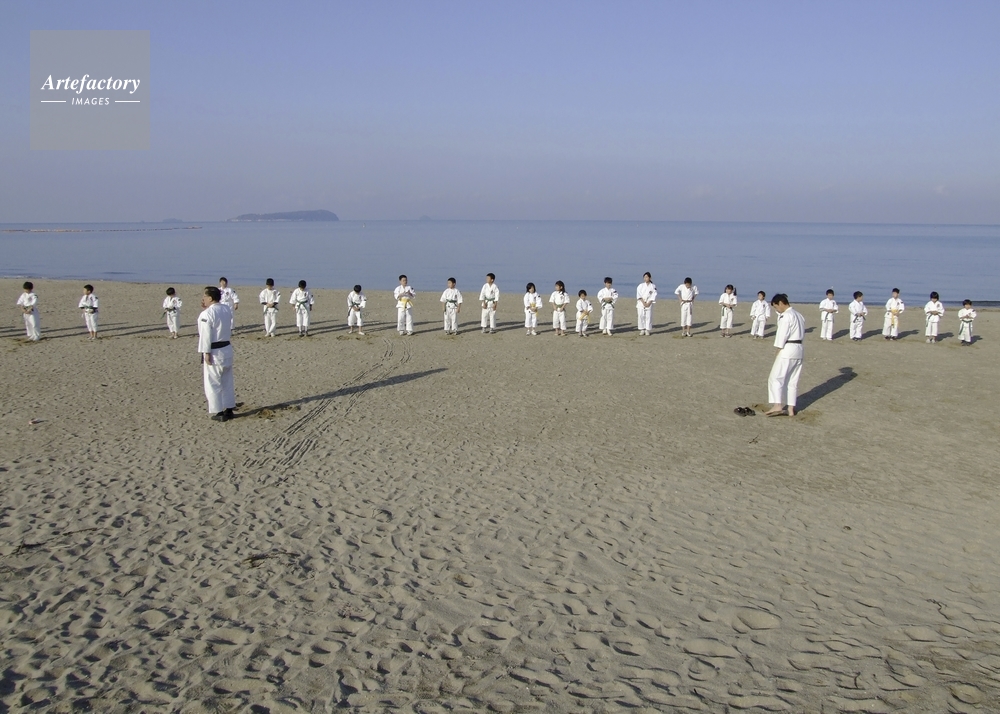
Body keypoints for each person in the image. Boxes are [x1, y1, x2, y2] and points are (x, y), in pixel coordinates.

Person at [198, 286, 236, 422]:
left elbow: (205, 335)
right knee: (227, 381)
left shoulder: (206, 314)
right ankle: (229, 408)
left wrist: (206, 352)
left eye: (205, 296)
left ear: (210, 298)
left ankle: (218, 411)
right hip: (226, 348)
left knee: (213, 382)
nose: (203, 298)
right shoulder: (226, 309)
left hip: (214, 350)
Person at [764, 294, 805, 417]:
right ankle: (791, 408)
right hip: (799, 349)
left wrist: (778, 349)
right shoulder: (799, 315)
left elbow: (782, 334)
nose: (777, 310)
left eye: (776, 307)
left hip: (788, 348)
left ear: (781, 303)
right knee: (792, 381)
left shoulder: (786, 315)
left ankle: (777, 405)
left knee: (775, 378)